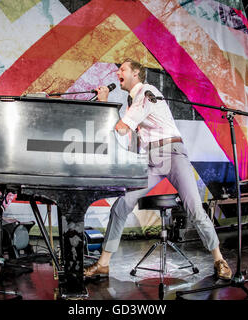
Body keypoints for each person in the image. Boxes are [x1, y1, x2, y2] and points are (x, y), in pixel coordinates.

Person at [84, 58, 232, 280]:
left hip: (171, 153)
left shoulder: (147, 92)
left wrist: (104, 102)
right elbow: (129, 136)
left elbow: (122, 127)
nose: (118, 73)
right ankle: (104, 263)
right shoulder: (132, 102)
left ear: (136, 73)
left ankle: (219, 259)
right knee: (121, 205)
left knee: (193, 207)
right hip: (151, 158)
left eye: (122, 69)